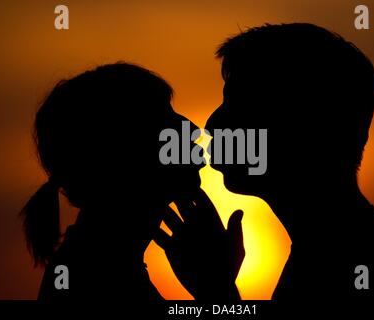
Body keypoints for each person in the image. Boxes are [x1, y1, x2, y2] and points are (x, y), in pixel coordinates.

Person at [206, 23, 374, 300]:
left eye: (238, 102)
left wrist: (217, 292)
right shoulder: (336, 248)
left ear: (304, 122)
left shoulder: (344, 265)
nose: (212, 123)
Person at [21, 63, 244, 302]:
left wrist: (214, 286)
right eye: (163, 117)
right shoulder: (101, 281)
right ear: (119, 148)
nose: (191, 128)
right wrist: (218, 290)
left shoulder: (100, 265)